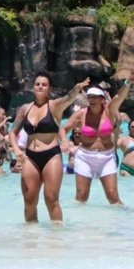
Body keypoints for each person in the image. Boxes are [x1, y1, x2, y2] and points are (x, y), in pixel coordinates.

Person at [10, 72, 88, 222]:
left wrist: (76, 88)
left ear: (50, 88)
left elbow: (68, 98)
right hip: (30, 157)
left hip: (51, 156)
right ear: (33, 87)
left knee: (51, 199)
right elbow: (13, 133)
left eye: (44, 85)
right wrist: (17, 150)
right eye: (37, 84)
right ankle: (31, 233)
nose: (40, 87)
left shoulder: (54, 106)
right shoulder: (25, 109)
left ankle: (57, 234)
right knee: (29, 200)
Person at [63, 81, 134, 206]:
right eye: (89, 97)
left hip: (106, 157)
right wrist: (64, 140)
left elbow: (119, 96)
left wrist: (128, 82)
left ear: (102, 99)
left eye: (95, 97)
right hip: (85, 157)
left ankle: (125, 217)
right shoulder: (81, 114)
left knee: (113, 196)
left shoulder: (109, 111)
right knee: (81, 196)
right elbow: (63, 129)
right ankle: (78, 218)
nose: (91, 99)